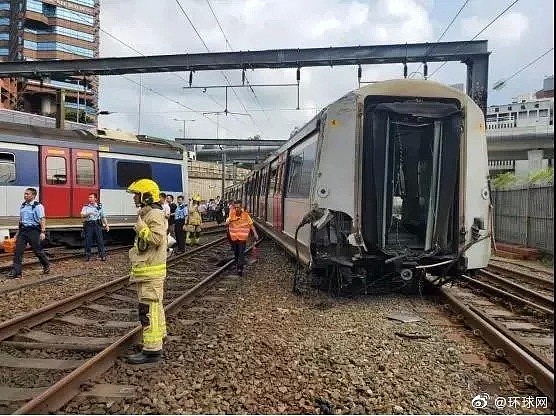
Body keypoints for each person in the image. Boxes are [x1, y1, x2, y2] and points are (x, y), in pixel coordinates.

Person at [126, 179, 168, 364]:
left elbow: (157, 239)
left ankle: (152, 350)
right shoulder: (150, 213)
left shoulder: (154, 215)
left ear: (146, 196)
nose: (134, 198)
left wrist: (141, 229)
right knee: (154, 308)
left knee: (148, 310)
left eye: (137, 195)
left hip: (151, 272)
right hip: (148, 272)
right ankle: (158, 339)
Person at [7, 188, 50, 279]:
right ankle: (16, 271)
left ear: (33, 196)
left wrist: (43, 232)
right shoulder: (23, 205)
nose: (25, 195)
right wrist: (17, 233)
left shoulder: (38, 206)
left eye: (27, 194)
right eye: (25, 194)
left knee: (37, 250)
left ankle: (46, 264)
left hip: (33, 231)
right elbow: (21, 220)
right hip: (23, 231)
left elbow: (42, 219)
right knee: (18, 251)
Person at [226, 199, 259, 276]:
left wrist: (255, 233)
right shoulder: (232, 213)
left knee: (241, 253)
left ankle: (240, 268)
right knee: (236, 253)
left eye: (238, 207)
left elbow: (251, 225)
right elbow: (228, 221)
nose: (236, 209)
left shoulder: (245, 215)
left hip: (242, 238)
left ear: (241, 207)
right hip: (234, 238)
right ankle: (238, 264)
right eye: (235, 207)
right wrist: (228, 221)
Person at [80, 192, 109, 261]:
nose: (89, 199)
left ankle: (102, 256)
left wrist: (106, 225)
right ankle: (87, 256)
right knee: (88, 241)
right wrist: (89, 213)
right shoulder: (86, 206)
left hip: (97, 224)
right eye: (89, 197)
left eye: (91, 197)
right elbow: (82, 215)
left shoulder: (99, 206)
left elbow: (103, 216)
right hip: (89, 224)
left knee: (100, 240)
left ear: (95, 199)